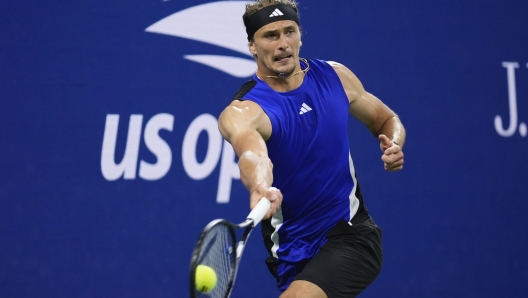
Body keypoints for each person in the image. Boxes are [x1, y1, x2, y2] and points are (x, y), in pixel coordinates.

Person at [218, 0, 406, 297]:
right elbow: (253, 155)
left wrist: (393, 142)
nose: (283, 44)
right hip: (291, 254)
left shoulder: (336, 77)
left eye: (289, 32)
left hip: (350, 234)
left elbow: (386, 118)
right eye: (270, 36)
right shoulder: (244, 110)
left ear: (300, 36)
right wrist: (259, 187)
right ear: (252, 46)